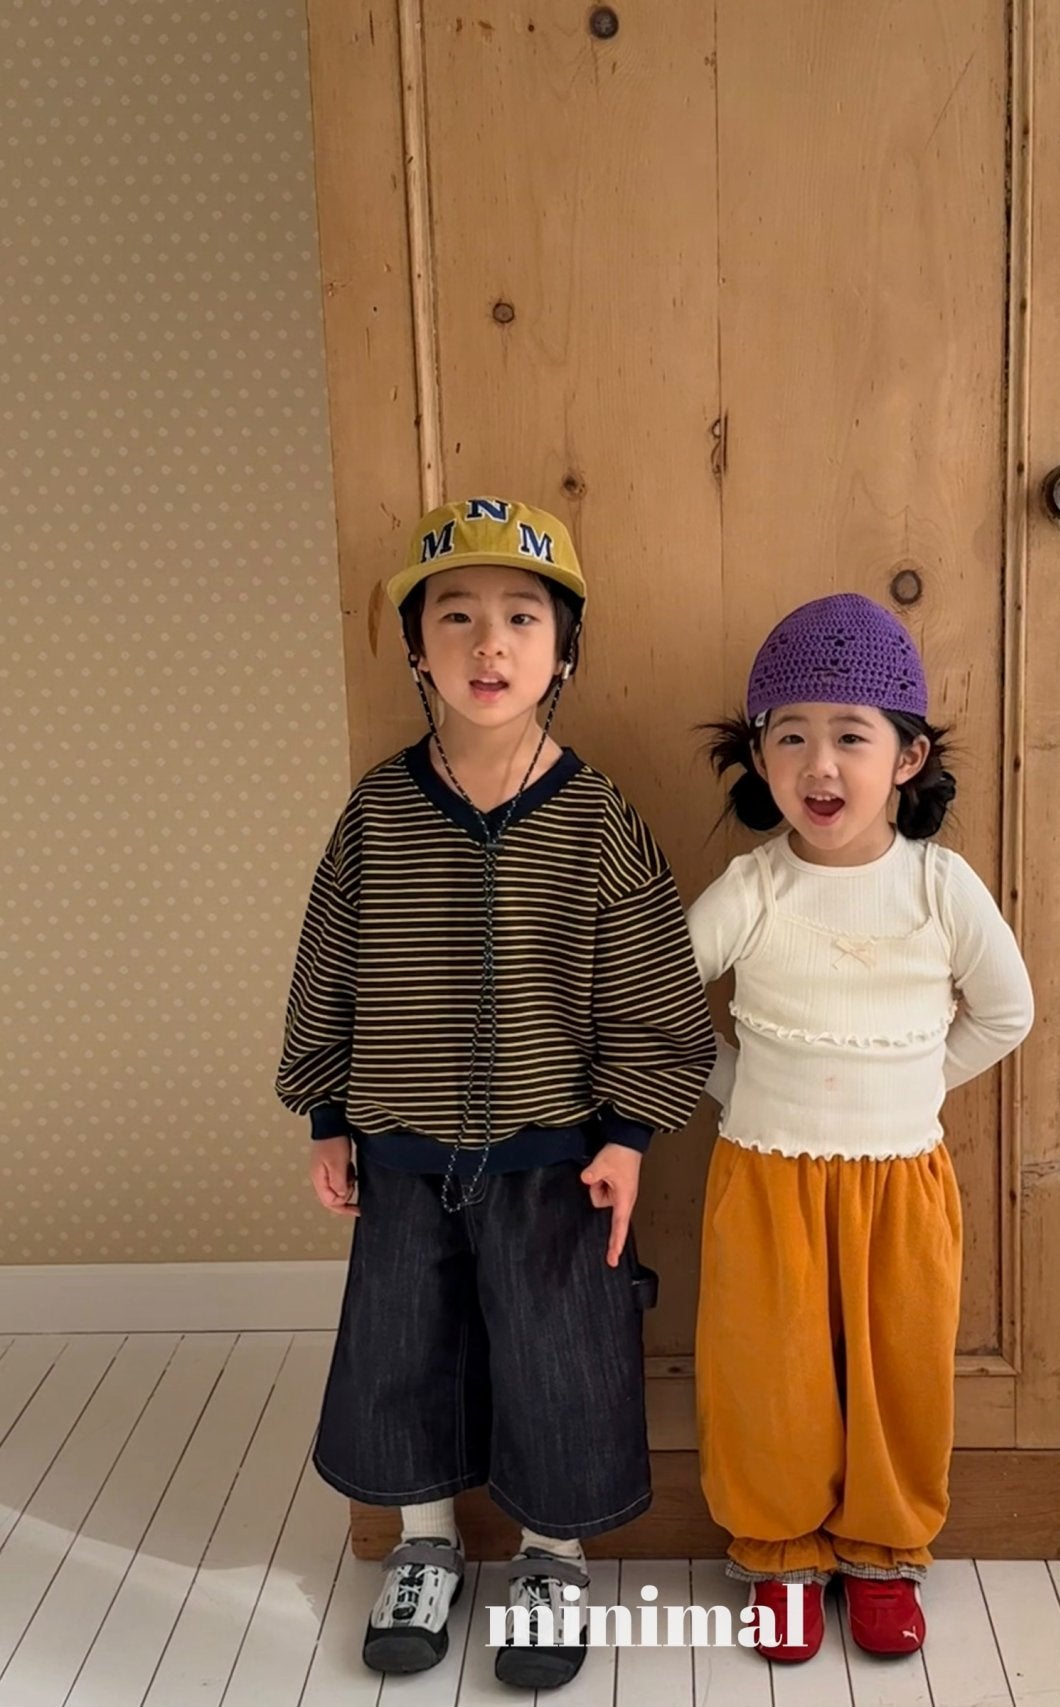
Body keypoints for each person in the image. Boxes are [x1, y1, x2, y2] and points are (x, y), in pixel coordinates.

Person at [276, 497, 714, 1689]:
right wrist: (325, 1115)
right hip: (399, 1152)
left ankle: (550, 1558)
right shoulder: (377, 811)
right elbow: (328, 963)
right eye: (454, 616)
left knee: (560, 1361)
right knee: (401, 1352)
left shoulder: (598, 820)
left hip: (554, 1159)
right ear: (415, 647)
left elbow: (650, 992)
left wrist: (628, 1133)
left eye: (521, 617)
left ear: (563, 649)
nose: (488, 644)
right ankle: (423, 1547)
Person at [686, 592, 1034, 1661]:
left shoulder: (938, 887)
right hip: (764, 1177)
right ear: (758, 757)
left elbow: (1007, 1013)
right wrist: (739, 1086)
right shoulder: (754, 887)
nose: (819, 765)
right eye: (789, 737)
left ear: (907, 756)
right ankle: (781, 1551)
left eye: (850, 736)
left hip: (901, 1181)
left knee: (899, 1368)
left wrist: (917, 1082)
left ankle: (884, 1547)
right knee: (769, 1370)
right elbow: (658, 1009)